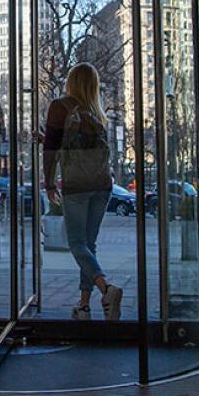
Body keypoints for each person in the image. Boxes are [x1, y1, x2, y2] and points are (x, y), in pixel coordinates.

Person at [42, 63, 123, 321]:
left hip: (76, 186)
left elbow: (52, 150)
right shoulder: (97, 113)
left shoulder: (60, 106)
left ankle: (106, 289)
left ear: (71, 81)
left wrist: (49, 182)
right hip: (102, 186)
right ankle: (84, 306)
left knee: (76, 243)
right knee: (89, 245)